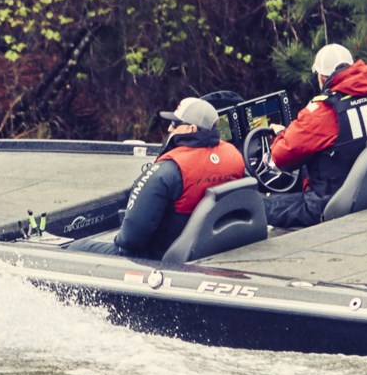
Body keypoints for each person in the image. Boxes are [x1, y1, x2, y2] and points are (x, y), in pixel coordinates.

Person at [68, 96, 246, 259]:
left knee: (75, 248)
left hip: (160, 257)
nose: (169, 128)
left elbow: (130, 241)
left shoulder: (168, 170)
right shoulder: (234, 157)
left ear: (191, 128)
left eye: (175, 124)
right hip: (208, 246)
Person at [264, 43, 367, 228]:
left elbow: (280, 157)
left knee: (261, 206)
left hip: (330, 205)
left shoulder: (321, 113)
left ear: (321, 77)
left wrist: (281, 134)